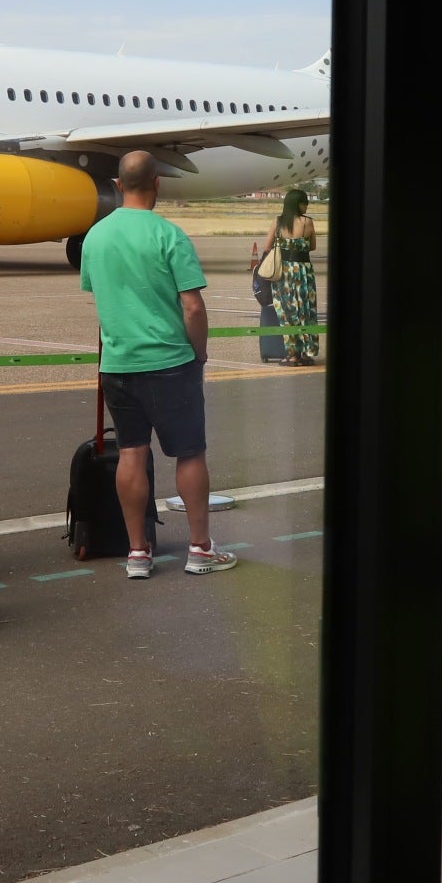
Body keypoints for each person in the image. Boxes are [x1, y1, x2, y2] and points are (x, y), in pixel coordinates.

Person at [78, 151, 237, 580]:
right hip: (169, 361)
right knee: (189, 454)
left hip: (118, 363)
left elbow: (100, 295)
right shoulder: (170, 235)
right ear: (157, 184)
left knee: (131, 451)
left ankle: (137, 553)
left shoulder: (95, 236)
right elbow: (193, 306)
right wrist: (199, 351)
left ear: (118, 183)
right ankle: (200, 547)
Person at [259, 188, 319, 366]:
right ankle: (306, 353)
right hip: (303, 271)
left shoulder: (277, 222)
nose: (306, 205)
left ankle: (292, 355)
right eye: (304, 202)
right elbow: (312, 246)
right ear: (297, 204)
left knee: (287, 311)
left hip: (283, 273)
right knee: (306, 310)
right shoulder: (308, 223)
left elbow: (267, 246)